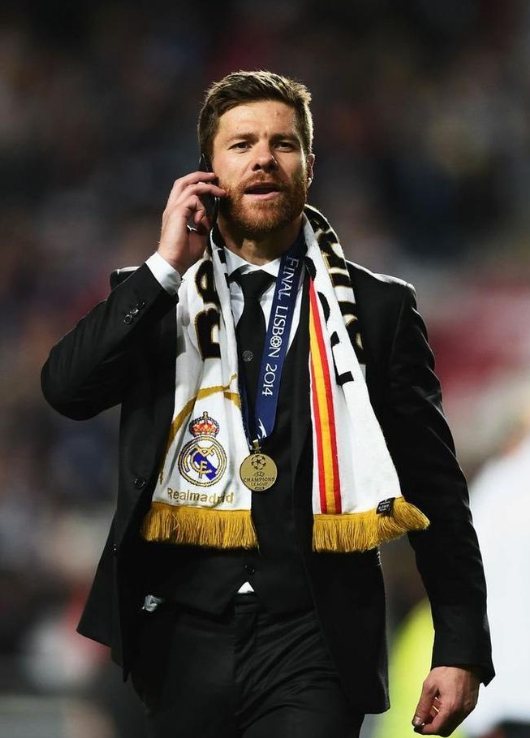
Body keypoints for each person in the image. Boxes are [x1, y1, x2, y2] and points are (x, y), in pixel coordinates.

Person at [41, 70, 494, 738]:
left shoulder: (378, 311)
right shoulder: (157, 298)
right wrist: (163, 267)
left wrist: (460, 646)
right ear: (207, 172)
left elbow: (436, 489)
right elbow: (66, 390)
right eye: (242, 144)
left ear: (310, 166)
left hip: (314, 641)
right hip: (175, 639)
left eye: (283, 144)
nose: (263, 158)